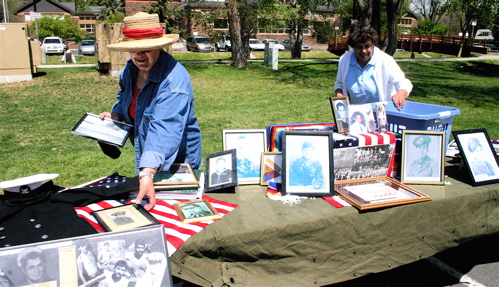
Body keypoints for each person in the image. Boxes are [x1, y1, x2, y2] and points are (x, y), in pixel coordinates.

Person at [99, 12, 202, 211]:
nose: (138, 55)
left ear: (159, 47)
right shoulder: (130, 69)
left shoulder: (174, 81)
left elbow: (165, 128)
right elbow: (124, 97)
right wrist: (116, 115)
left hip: (178, 160)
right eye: (133, 49)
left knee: (172, 210)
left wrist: (147, 172)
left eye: (145, 49)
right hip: (151, 156)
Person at [334, 26, 413, 110]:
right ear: (353, 47)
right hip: (356, 114)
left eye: (367, 46)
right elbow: (340, 84)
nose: (364, 51)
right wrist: (339, 95)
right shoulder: (345, 60)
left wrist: (400, 94)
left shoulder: (385, 60)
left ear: (373, 45)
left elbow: (403, 82)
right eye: (359, 47)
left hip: (381, 112)